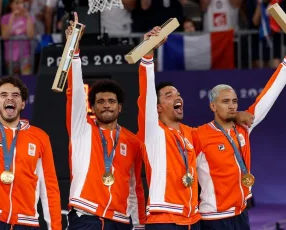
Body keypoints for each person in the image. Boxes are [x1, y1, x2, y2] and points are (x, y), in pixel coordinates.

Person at [137, 27, 254, 230]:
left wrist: (236, 114)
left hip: (192, 219)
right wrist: (148, 54)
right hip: (164, 219)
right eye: (169, 95)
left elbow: (219, 127)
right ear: (157, 107)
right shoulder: (153, 132)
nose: (177, 97)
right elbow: (146, 96)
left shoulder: (191, 134)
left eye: (178, 93)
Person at [65, 13, 146, 230]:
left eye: (111, 101)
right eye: (100, 101)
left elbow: (134, 187)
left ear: (120, 107)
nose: (106, 105)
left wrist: (139, 225)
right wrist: (74, 47)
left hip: (120, 221)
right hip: (87, 216)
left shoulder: (132, 142)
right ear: (93, 107)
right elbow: (74, 92)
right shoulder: (82, 130)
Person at [191, 57, 286, 229]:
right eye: (225, 102)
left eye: (234, 101)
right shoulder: (198, 135)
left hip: (241, 212)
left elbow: (268, 96)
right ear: (213, 106)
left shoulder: (243, 127)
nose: (232, 106)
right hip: (214, 218)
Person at [0, 76, 62, 229]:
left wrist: (55, 227)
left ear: (22, 104)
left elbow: (50, 187)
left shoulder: (39, 137)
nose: (10, 98)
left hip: (26, 222)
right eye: (4, 95)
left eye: (15, 95)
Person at [0, 0, 35, 75]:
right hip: (10, 56)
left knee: (27, 79)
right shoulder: (5, 18)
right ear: (11, 5)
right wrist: (12, 17)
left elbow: (30, 35)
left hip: (25, 55)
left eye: (21, 3)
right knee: (13, 81)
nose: (19, 5)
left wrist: (28, 17)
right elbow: (5, 36)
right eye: (16, 3)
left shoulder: (29, 17)